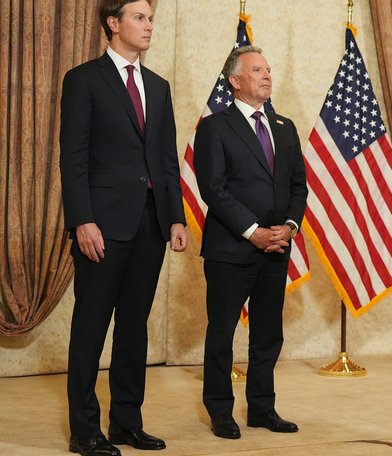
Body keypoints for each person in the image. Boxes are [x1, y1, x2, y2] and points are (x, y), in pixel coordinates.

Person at [59, 0, 187, 454]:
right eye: (139, 17)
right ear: (113, 23)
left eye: (151, 19)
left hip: (150, 225)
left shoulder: (159, 86)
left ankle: (126, 423)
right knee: (91, 329)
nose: (149, 25)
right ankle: (85, 431)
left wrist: (175, 216)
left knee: (134, 329)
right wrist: (82, 220)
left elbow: (166, 159)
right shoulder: (83, 80)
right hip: (102, 225)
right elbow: (73, 158)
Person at [194, 45, 308, 440]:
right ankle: (220, 411)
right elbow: (213, 188)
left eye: (268, 69)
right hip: (231, 249)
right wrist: (253, 232)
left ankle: (262, 408)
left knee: (267, 334)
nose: (267, 75)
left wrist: (289, 226)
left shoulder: (284, 126)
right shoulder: (214, 127)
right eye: (257, 70)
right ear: (235, 81)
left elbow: (298, 186)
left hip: (276, 249)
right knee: (222, 334)